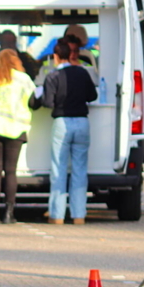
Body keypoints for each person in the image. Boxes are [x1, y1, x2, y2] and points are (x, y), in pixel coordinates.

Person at [32, 38, 97, 224]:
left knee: (59, 169)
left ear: (55, 56)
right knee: (79, 170)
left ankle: (57, 214)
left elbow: (47, 102)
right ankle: (79, 215)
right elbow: (92, 95)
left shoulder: (52, 76)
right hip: (82, 122)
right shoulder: (83, 73)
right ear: (70, 55)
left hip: (61, 122)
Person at [0, 49, 35, 223]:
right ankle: (9, 214)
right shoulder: (23, 78)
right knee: (10, 171)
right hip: (15, 129)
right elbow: (34, 101)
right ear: (16, 61)